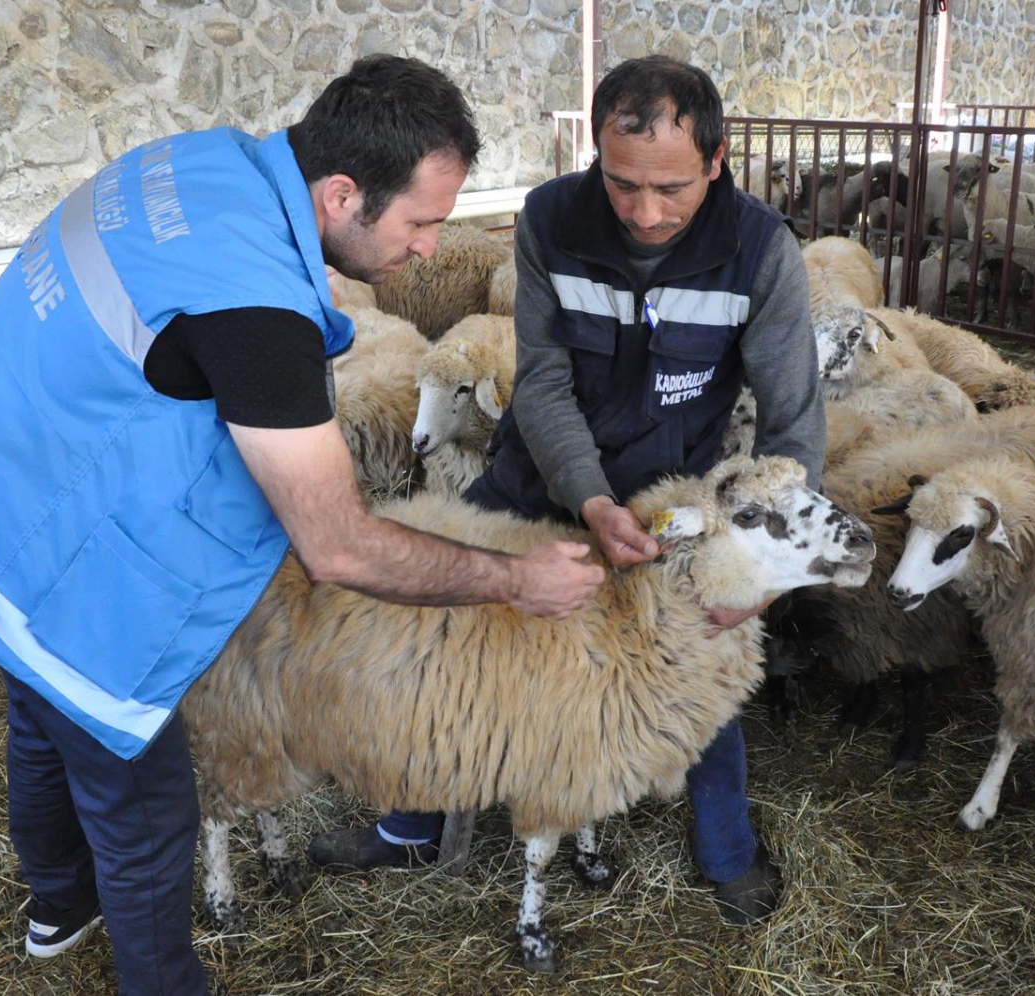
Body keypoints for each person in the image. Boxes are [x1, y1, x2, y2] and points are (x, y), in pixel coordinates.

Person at [0, 55, 603, 996]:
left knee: (39, 709)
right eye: (420, 222)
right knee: (145, 807)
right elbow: (337, 543)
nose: (430, 248)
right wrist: (515, 579)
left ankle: (58, 907)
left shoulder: (199, 164)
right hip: (55, 535)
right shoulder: (256, 306)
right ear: (343, 194)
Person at [308, 55, 825, 925]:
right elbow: (542, 382)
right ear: (596, 154)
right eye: (622, 184)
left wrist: (762, 574)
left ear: (717, 159)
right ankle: (412, 823)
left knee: (692, 657)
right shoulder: (552, 219)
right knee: (438, 629)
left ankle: (727, 849)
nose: (645, 212)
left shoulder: (761, 249)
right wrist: (588, 499)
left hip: (670, 497)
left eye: (671, 188)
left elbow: (793, 419)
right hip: (540, 474)